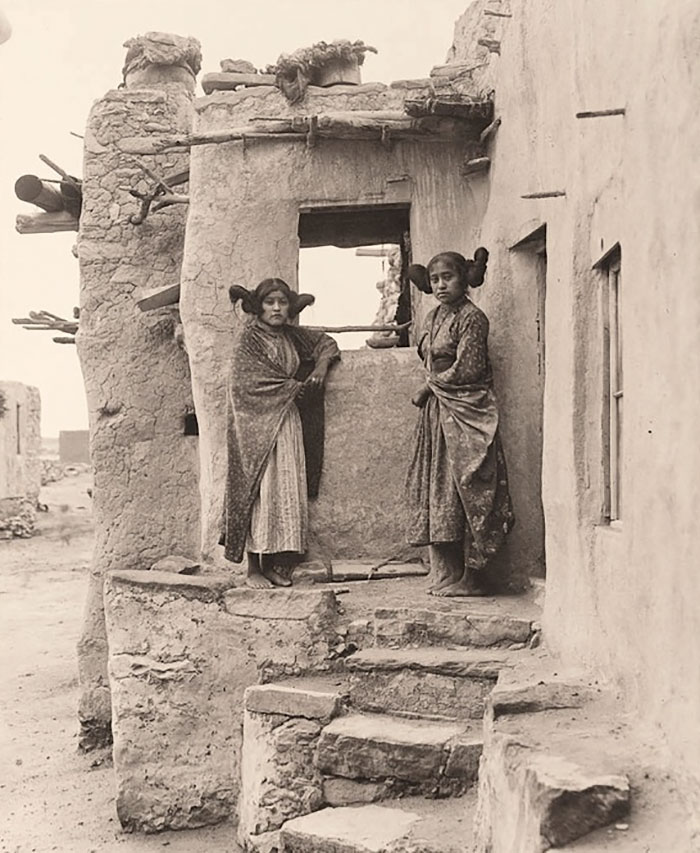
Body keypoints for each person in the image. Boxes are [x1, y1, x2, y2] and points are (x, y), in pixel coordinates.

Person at [406, 249, 515, 596]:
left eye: (448, 277)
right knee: (443, 491)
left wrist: (428, 387)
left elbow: (468, 368)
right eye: (435, 279)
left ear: (464, 279)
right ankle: (451, 571)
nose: (441, 285)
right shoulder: (432, 317)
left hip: (467, 410)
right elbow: (428, 360)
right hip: (440, 413)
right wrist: (432, 388)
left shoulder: (472, 318)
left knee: (469, 486)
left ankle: (475, 577)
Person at [224, 278, 340, 588]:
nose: (276, 308)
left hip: (287, 422)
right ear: (258, 307)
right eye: (269, 302)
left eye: (282, 302)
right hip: (256, 428)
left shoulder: (291, 336)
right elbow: (246, 383)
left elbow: (326, 344)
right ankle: (253, 569)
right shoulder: (249, 339)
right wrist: (293, 388)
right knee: (259, 493)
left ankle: (274, 565)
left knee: (284, 491)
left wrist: (321, 367)